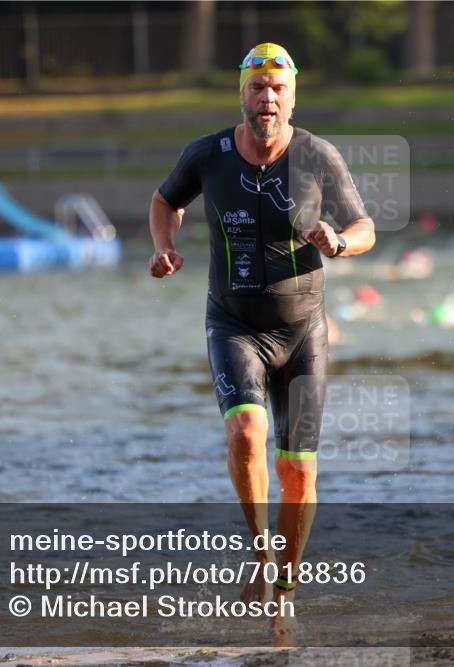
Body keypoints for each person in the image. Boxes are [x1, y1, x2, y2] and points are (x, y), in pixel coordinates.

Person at [147, 43, 375, 635]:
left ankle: (285, 586)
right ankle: (260, 551)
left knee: (298, 470)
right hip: (234, 323)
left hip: (303, 332)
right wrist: (163, 245)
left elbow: (365, 225)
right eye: (256, 88)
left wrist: (341, 243)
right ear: (241, 93)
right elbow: (164, 200)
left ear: (292, 95)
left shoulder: (318, 156)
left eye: (277, 88)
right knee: (247, 430)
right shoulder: (208, 154)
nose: (266, 98)